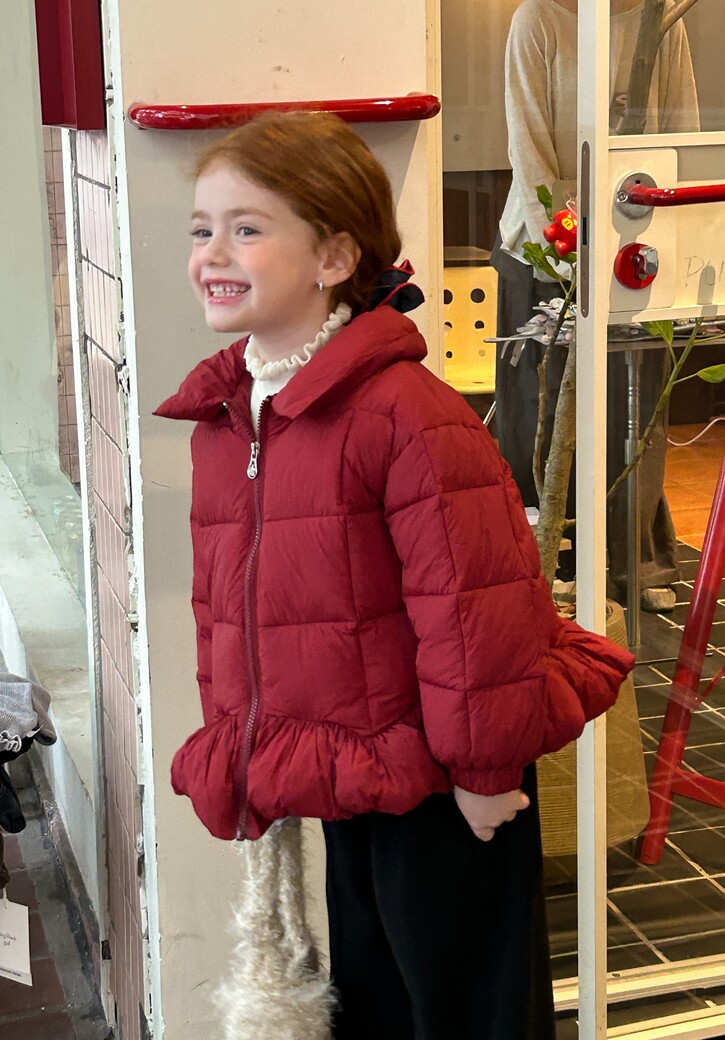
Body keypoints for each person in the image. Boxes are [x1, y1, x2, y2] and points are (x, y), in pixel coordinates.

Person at [155, 112, 634, 1040]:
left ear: (335, 257)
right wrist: (246, 750)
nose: (212, 253)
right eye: (202, 229)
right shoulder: (235, 414)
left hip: (448, 786)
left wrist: (485, 769)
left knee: (467, 1012)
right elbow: (228, 608)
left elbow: (476, 611)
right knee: (375, 1003)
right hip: (348, 770)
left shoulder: (405, 414)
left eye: (247, 229)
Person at [494, 0, 700, 612]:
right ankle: (548, 559)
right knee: (543, 412)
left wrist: (666, 230)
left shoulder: (663, 19)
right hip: (544, 246)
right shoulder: (538, 18)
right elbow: (528, 147)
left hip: (637, 240)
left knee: (635, 405)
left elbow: (682, 133)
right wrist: (566, 249)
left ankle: (633, 558)